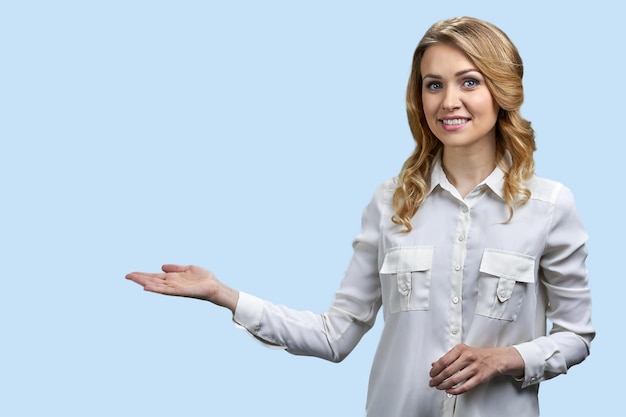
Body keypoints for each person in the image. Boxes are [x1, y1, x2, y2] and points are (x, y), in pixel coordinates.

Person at [126, 16, 594, 417]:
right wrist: (224, 294)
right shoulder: (391, 203)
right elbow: (336, 335)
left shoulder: (550, 206)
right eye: (434, 84)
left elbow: (577, 335)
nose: (448, 101)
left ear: (502, 90)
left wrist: (506, 357)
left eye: (469, 81)